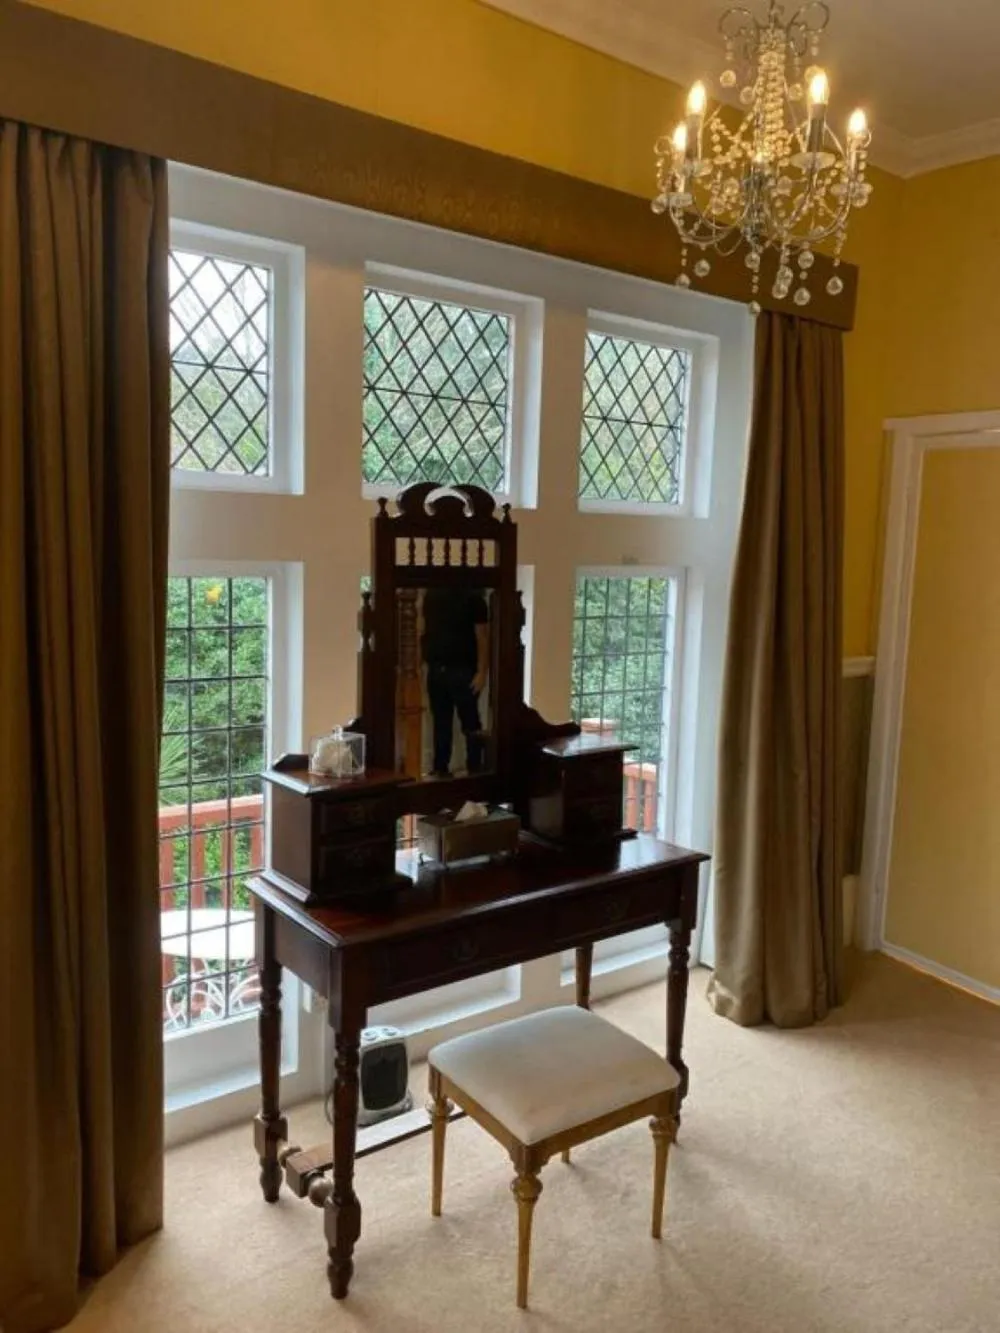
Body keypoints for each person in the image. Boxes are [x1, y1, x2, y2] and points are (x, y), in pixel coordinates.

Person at [420, 586, 489, 777]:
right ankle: (441, 768)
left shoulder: (474, 598)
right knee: (441, 723)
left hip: (463, 670)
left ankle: (475, 769)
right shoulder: (432, 595)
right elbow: (426, 629)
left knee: (470, 724)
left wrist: (482, 672)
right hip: (436, 668)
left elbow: (482, 637)